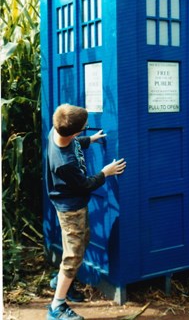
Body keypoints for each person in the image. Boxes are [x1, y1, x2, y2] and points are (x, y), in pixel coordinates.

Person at [46, 103, 126, 320]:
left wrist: (89, 139)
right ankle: (57, 307)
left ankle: (61, 281)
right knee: (73, 257)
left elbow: (73, 144)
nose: (86, 129)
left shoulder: (56, 131)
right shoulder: (64, 163)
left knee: (80, 243)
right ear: (74, 131)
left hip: (73, 206)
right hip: (71, 209)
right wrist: (105, 172)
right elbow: (85, 185)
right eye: (85, 127)